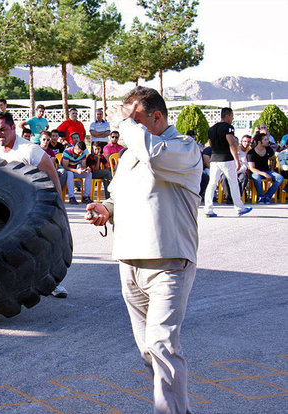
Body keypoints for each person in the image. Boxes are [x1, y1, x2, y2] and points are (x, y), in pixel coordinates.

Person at [86, 86, 202, 414]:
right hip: (129, 261)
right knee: (149, 351)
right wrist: (106, 208)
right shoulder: (129, 157)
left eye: (135, 120)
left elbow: (153, 155)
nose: (126, 127)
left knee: (162, 344)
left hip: (168, 262)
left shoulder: (183, 147)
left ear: (157, 117)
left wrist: (126, 125)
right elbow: (119, 197)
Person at [0, 112, 67, 298]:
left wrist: (57, 205)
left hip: (34, 205)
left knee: (43, 244)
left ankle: (53, 283)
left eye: (3, 130)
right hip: (7, 206)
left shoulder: (30, 151)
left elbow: (52, 175)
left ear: (13, 128)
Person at [204, 108, 252, 217]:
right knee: (233, 183)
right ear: (228, 115)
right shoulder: (228, 128)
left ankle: (208, 209)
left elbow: (210, 144)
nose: (233, 118)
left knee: (212, 184)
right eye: (232, 116)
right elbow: (232, 144)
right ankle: (239, 208)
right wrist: (237, 160)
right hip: (226, 158)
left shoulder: (211, 129)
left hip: (214, 159)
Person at [247, 132, 284, 203]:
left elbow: (273, 159)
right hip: (256, 172)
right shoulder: (251, 153)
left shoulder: (268, 149)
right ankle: (261, 196)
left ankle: (267, 196)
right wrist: (265, 174)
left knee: (280, 178)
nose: (268, 141)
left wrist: (272, 169)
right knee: (257, 177)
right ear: (259, 142)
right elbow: (252, 168)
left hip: (266, 171)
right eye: (265, 140)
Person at [221, 134, 251, 203]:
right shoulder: (225, 154)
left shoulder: (242, 154)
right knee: (223, 178)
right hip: (227, 172)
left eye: (235, 142)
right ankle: (229, 197)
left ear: (238, 144)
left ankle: (237, 197)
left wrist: (236, 172)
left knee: (243, 178)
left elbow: (244, 166)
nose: (234, 144)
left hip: (239, 172)